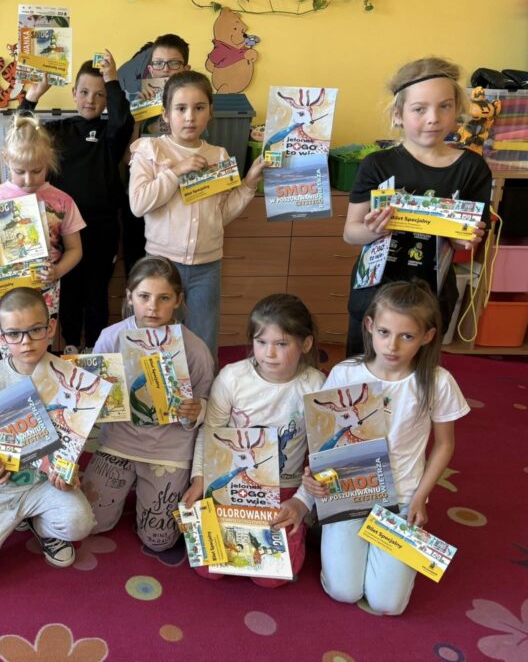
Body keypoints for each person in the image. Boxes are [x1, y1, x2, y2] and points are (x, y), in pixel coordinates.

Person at [300, 279, 468, 615]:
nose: (392, 346)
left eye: (407, 336)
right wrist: (313, 474)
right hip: (349, 491)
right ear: (369, 326)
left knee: (387, 604)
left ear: (427, 336)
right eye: (384, 332)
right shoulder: (346, 373)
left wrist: (420, 497)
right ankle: (332, 532)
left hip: (402, 497)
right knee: (344, 591)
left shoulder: (437, 381)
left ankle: (365, 544)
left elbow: (444, 445)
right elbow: (325, 436)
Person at [0, 287, 96, 585]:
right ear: (1, 336)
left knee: (80, 523)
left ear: (51, 327)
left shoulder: (69, 377)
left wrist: (69, 472)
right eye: (14, 334)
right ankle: (15, 518)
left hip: (46, 485)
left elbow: (72, 440)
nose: (25, 342)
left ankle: (41, 525)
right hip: (3, 490)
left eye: (35, 330)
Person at [343, 57, 491, 356]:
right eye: (419, 109)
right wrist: (374, 229)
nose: (434, 118)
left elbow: (465, 241)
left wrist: (467, 237)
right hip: (375, 291)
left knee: (419, 373)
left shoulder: (472, 168)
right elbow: (350, 233)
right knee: (362, 368)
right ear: (398, 115)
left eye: (445, 106)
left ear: (457, 109)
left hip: (431, 295)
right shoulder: (377, 164)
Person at [181, 293, 325, 587]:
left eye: (281, 344)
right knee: (209, 568)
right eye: (261, 342)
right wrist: (200, 480)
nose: (269, 353)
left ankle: (307, 525)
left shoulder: (315, 384)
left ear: (306, 344)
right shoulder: (233, 377)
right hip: (232, 486)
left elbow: (322, 454)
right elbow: (210, 432)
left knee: (270, 578)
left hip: (285, 489)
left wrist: (301, 503)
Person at [128, 70, 265, 364]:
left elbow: (221, 213)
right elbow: (138, 204)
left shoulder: (219, 155)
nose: (190, 117)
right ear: (166, 114)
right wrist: (176, 172)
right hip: (162, 265)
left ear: (210, 112)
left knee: (203, 340)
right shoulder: (151, 150)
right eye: (180, 108)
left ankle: (202, 391)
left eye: (199, 108)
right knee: (157, 339)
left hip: (207, 267)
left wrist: (249, 183)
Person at [81, 256, 215, 551]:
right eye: (144, 296)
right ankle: (130, 485)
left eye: (163, 298)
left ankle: (149, 490)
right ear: (130, 297)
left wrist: (198, 409)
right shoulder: (111, 338)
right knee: (88, 522)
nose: (153, 307)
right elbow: (88, 399)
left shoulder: (194, 349)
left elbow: (209, 407)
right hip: (119, 442)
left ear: (178, 300)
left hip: (169, 450)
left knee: (159, 541)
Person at [22, 54, 134, 352]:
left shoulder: (111, 133)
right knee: (68, 289)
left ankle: (95, 350)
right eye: (84, 92)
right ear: (73, 93)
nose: (90, 100)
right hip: (61, 228)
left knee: (96, 291)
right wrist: (34, 95)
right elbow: (22, 132)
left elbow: (124, 120)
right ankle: (71, 344)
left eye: (99, 95)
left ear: (107, 99)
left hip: (101, 227)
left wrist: (112, 79)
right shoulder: (58, 130)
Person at [0, 113, 84, 355]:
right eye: (19, 171)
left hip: (44, 287)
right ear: (6, 159)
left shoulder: (62, 201)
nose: (28, 180)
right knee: (9, 349)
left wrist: (58, 271)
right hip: (3, 288)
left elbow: (75, 249)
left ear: (49, 160)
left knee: (39, 348)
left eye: (36, 170)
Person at [123, 34, 192, 272]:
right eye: (159, 64)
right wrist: (138, 116)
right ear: (151, 69)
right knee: (138, 271)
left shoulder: (193, 110)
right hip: (141, 199)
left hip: (178, 203)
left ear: (186, 69)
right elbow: (128, 159)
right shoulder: (140, 104)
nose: (165, 70)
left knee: (172, 275)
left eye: (174, 63)